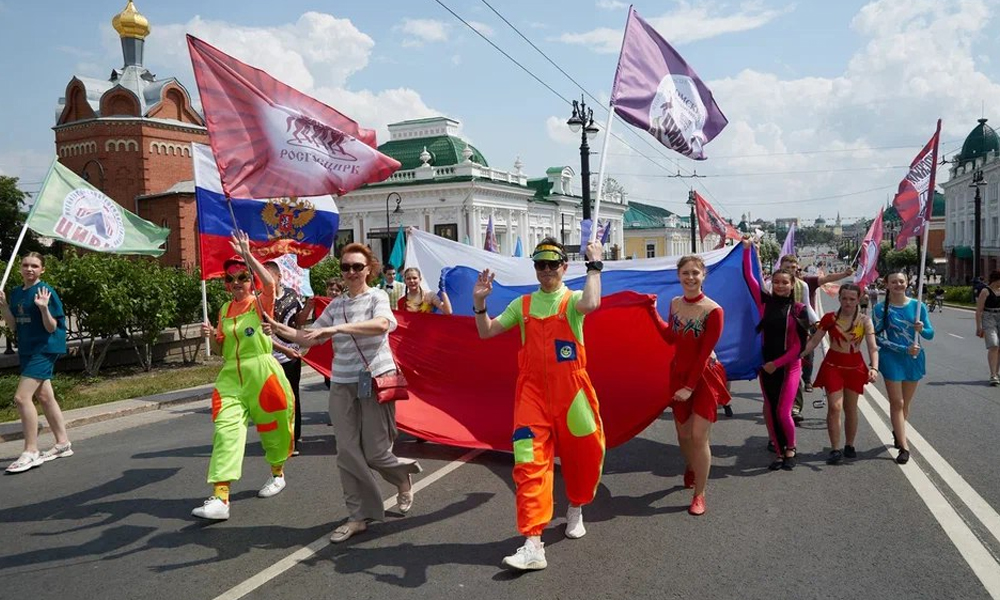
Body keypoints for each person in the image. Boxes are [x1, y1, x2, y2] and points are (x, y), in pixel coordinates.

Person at [269, 243, 421, 544]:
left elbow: (381, 325)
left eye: (356, 267)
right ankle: (357, 517)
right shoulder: (336, 305)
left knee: (376, 453)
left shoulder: (377, 297)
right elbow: (309, 336)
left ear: (369, 269)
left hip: (375, 380)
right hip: (342, 383)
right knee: (347, 452)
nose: (350, 272)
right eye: (345, 267)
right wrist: (275, 328)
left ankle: (402, 476)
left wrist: (338, 330)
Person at [472, 237, 605, 571]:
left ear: (563, 267)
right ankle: (533, 542)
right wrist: (479, 304)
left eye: (552, 264)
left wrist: (594, 263)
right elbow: (486, 332)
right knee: (529, 465)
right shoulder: (523, 304)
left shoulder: (573, 300)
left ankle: (576, 506)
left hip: (572, 392)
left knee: (584, 455)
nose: (546, 270)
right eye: (540, 265)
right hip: (531, 395)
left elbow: (592, 303)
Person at [192, 232, 295, 520]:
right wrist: (213, 334)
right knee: (226, 432)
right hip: (230, 377)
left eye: (242, 277)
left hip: (262, 373)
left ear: (251, 280)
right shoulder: (224, 309)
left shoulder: (260, 303)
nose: (236, 283)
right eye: (231, 278)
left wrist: (249, 255)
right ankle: (221, 498)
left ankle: (277, 474)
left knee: (274, 428)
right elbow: (225, 345)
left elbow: (271, 284)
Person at [663, 254, 730, 513]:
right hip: (678, 374)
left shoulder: (713, 310)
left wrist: (690, 387)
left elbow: (703, 354)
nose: (690, 277)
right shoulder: (675, 303)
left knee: (699, 436)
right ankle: (691, 465)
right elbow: (670, 336)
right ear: (679, 276)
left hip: (703, 377)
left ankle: (700, 494)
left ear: (704, 276)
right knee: (683, 434)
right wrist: (647, 314)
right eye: (685, 273)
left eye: (695, 273)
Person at [0, 252, 73, 473]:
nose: (29, 269)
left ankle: (31, 451)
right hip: (27, 349)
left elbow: (52, 327)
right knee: (44, 396)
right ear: (20, 268)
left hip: (45, 348)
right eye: (25, 265)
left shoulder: (45, 291)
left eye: (34, 265)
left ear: (42, 270)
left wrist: (43, 308)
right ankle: (63, 443)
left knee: (22, 398)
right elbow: (13, 326)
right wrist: (3, 306)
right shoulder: (15, 293)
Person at [801, 283, 879, 465]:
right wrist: (797, 355)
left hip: (854, 368)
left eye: (852, 299)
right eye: (844, 298)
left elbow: (873, 347)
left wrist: (874, 367)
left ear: (858, 299)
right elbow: (813, 342)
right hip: (833, 366)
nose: (848, 302)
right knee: (835, 407)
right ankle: (835, 449)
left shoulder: (865, 321)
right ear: (839, 298)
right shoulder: (829, 318)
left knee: (850, 409)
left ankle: (849, 445)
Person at [745, 244, 808, 470]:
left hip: (788, 367)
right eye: (777, 282)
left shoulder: (799, 310)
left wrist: (777, 364)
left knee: (783, 412)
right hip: (766, 367)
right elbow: (750, 277)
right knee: (771, 411)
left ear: (792, 286)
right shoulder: (765, 305)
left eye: (785, 283)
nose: (780, 286)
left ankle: (790, 447)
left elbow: (798, 347)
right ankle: (779, 454)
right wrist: (747, 251)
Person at [777, 256, 851, 418]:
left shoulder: (802, 284)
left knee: (796, 362)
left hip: (799, 329)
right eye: (787, 267)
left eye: (793, 267)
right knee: (778, 370)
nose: (790, 270)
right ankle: (781, 404)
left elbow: (808, 306)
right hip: (777, 332)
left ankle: (795, 404)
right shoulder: (773, 284)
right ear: (780, 266)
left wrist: (818, 323)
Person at [873, 271, 934, 464]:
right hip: (892, 358)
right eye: (894, 282)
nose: (898, 284)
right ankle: (904, 446)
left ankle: (898, 431)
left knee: (905, 404)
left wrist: (921, 329)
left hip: (913, 357)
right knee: (897, 403)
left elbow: (930, 334)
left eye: (901, 281)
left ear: (907, 283)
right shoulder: (880, 308)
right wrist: (902, 348)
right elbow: (877, 337)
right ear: (887, 285)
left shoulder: (918, 306)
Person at [263, 261, 310, 455]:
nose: (264, 280)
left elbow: (300, 321)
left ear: (278, 277)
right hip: (269, 357)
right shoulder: (259, 300)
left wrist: (309, 306)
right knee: (272, 400)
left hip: (290, 355)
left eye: (268, 276)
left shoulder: (292, 295)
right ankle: (277, 437)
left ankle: (294, 438)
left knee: (292, 397)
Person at [974, 271, 1000, 385]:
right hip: (989, 318)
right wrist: (979, 327)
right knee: (994, 344)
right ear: (996, 280)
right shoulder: (985, 291)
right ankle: (993, 374)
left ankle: (997, 372)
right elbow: (979, 310)